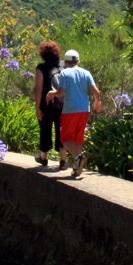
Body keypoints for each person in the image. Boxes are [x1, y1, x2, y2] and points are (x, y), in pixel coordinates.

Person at [46, 49, 101, 177]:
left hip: (70, 110)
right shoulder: (86, 73)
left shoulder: (65, 73)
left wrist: (51, 93)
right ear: (78, 61)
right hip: (84, 110)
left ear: (65, 62)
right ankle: (77, 169)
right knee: (77, 138)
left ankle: (78, 158)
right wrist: (97, 103)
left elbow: (60, 92)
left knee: (64, 138)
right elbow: (96, 91)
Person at [33, 40, 66, 167]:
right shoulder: (64, 65)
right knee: (61, 131)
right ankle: (63, 161)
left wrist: (37, 107)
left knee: (45, 130)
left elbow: (38, 88)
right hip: (62, 104)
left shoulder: (41, 68)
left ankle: (43, 158)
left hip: (46, 104)